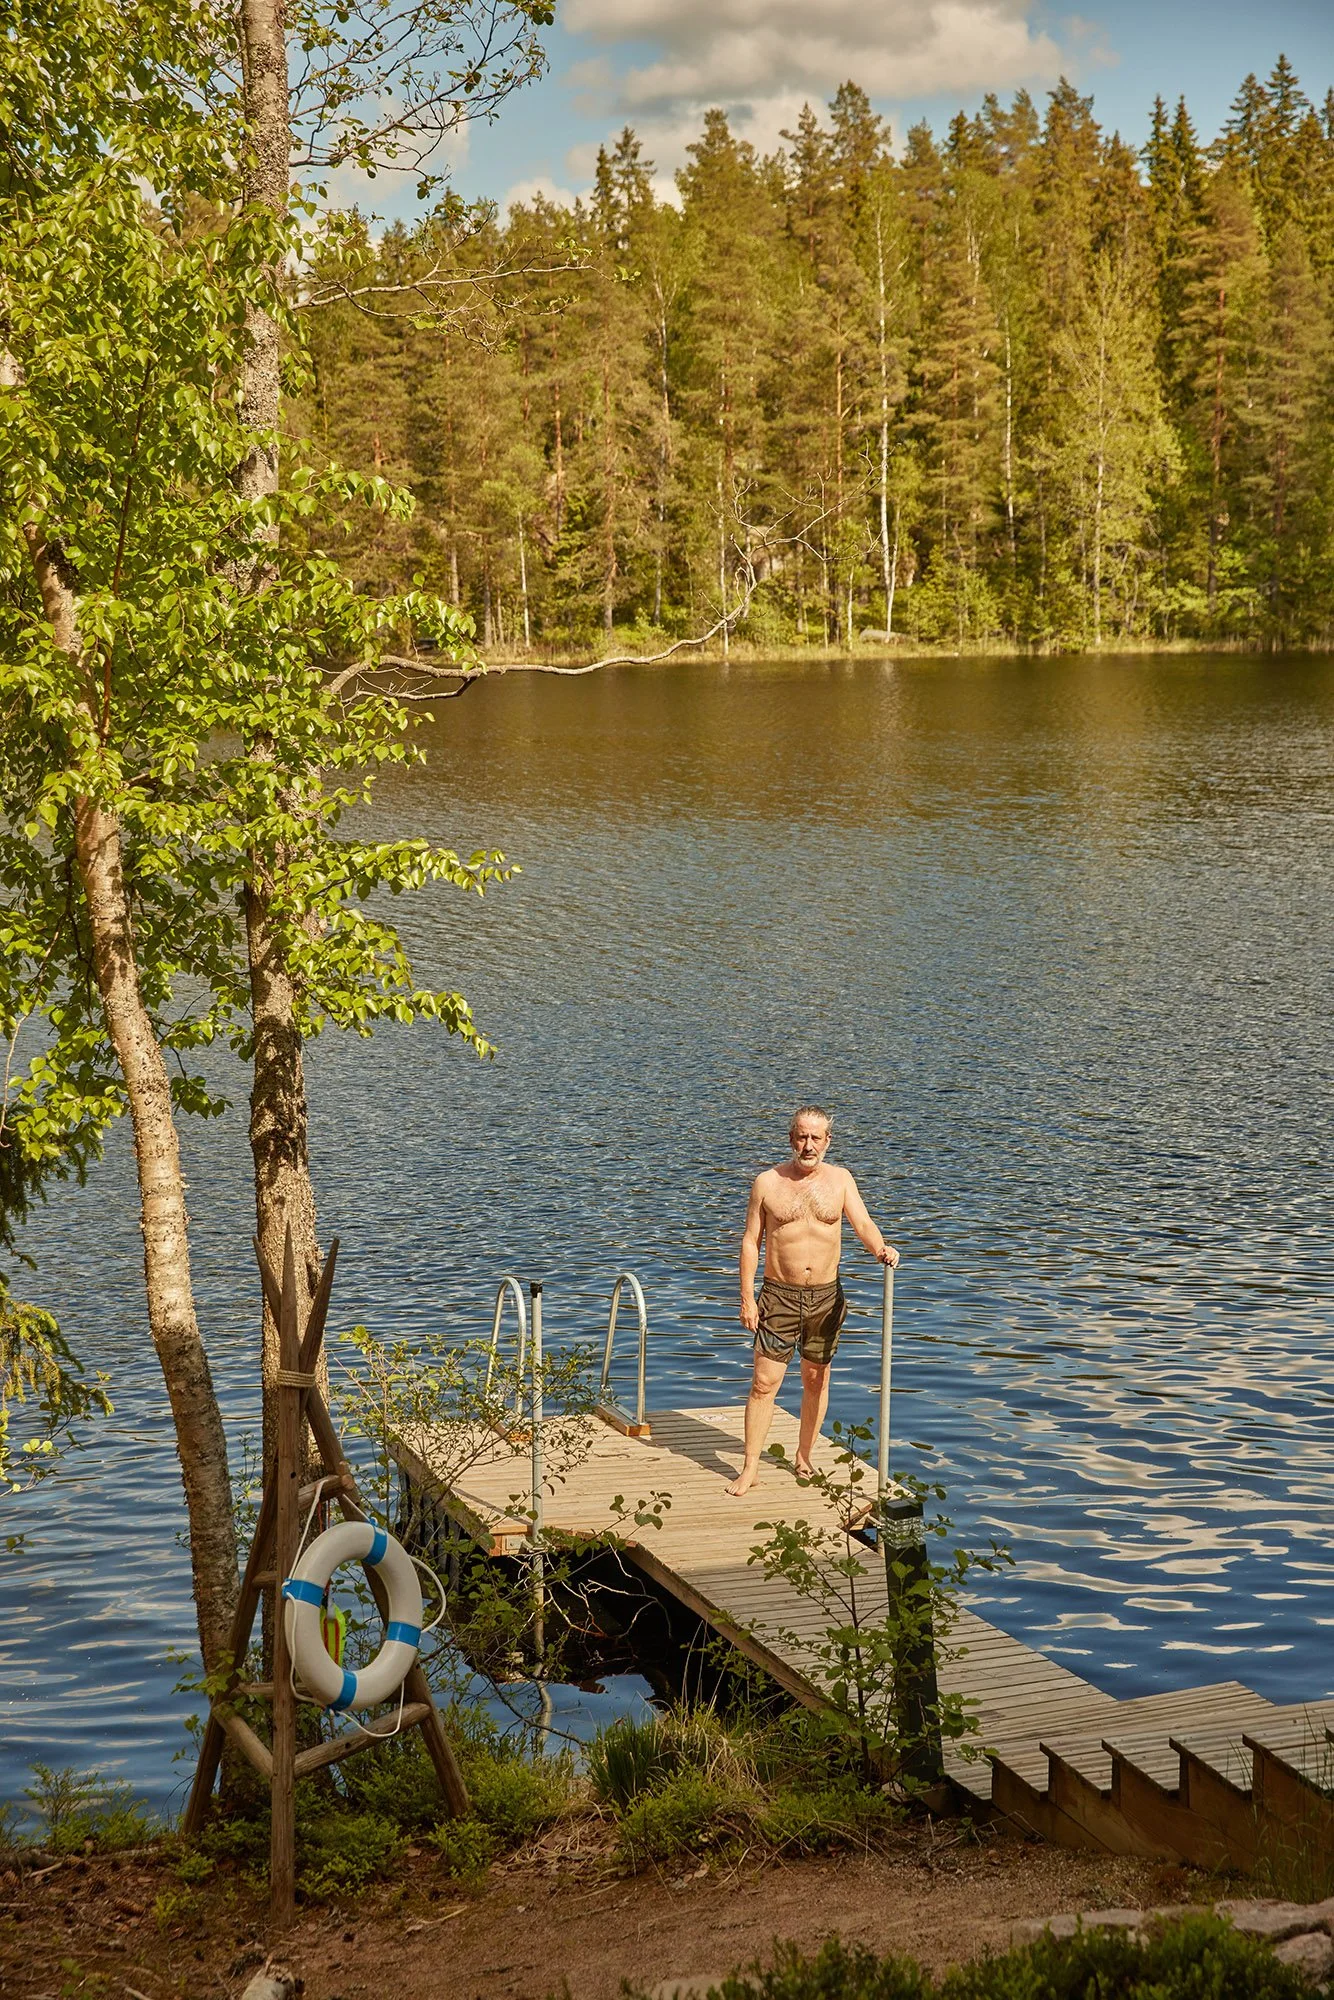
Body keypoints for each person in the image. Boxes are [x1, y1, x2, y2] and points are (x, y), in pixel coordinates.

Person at [725, 1106, 898, 1498]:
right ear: (791, 1138)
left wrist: (880, 1248)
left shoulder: (840, 1180)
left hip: (825, 1297)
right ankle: (750, 1466)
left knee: (816, 1378)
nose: (808, 1145)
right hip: (779, 1295)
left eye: (816, 1138)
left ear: (827, 1141)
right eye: (802, 1137)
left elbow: (863, 1224)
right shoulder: (767, 1182)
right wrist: (747, 1297)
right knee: (763, 1382)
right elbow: (751, 1241)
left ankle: (804, 1455)